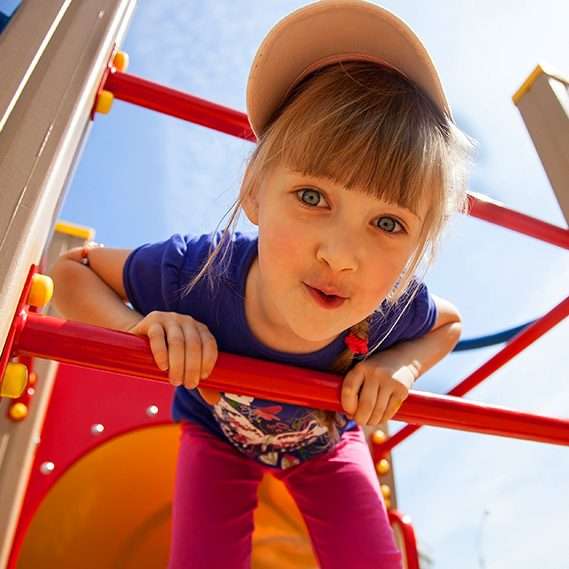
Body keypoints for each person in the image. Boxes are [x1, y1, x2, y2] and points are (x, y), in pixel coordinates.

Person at [51, 1, 474, 567]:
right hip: (216, 438)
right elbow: (70, 270)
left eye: (389, 224)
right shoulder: (198, 273)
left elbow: (450, 323)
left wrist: (401, 366)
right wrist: (139, 327)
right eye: (312, 197)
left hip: (327, 443)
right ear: (253, 192)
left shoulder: (391, 308)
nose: (341, 256)